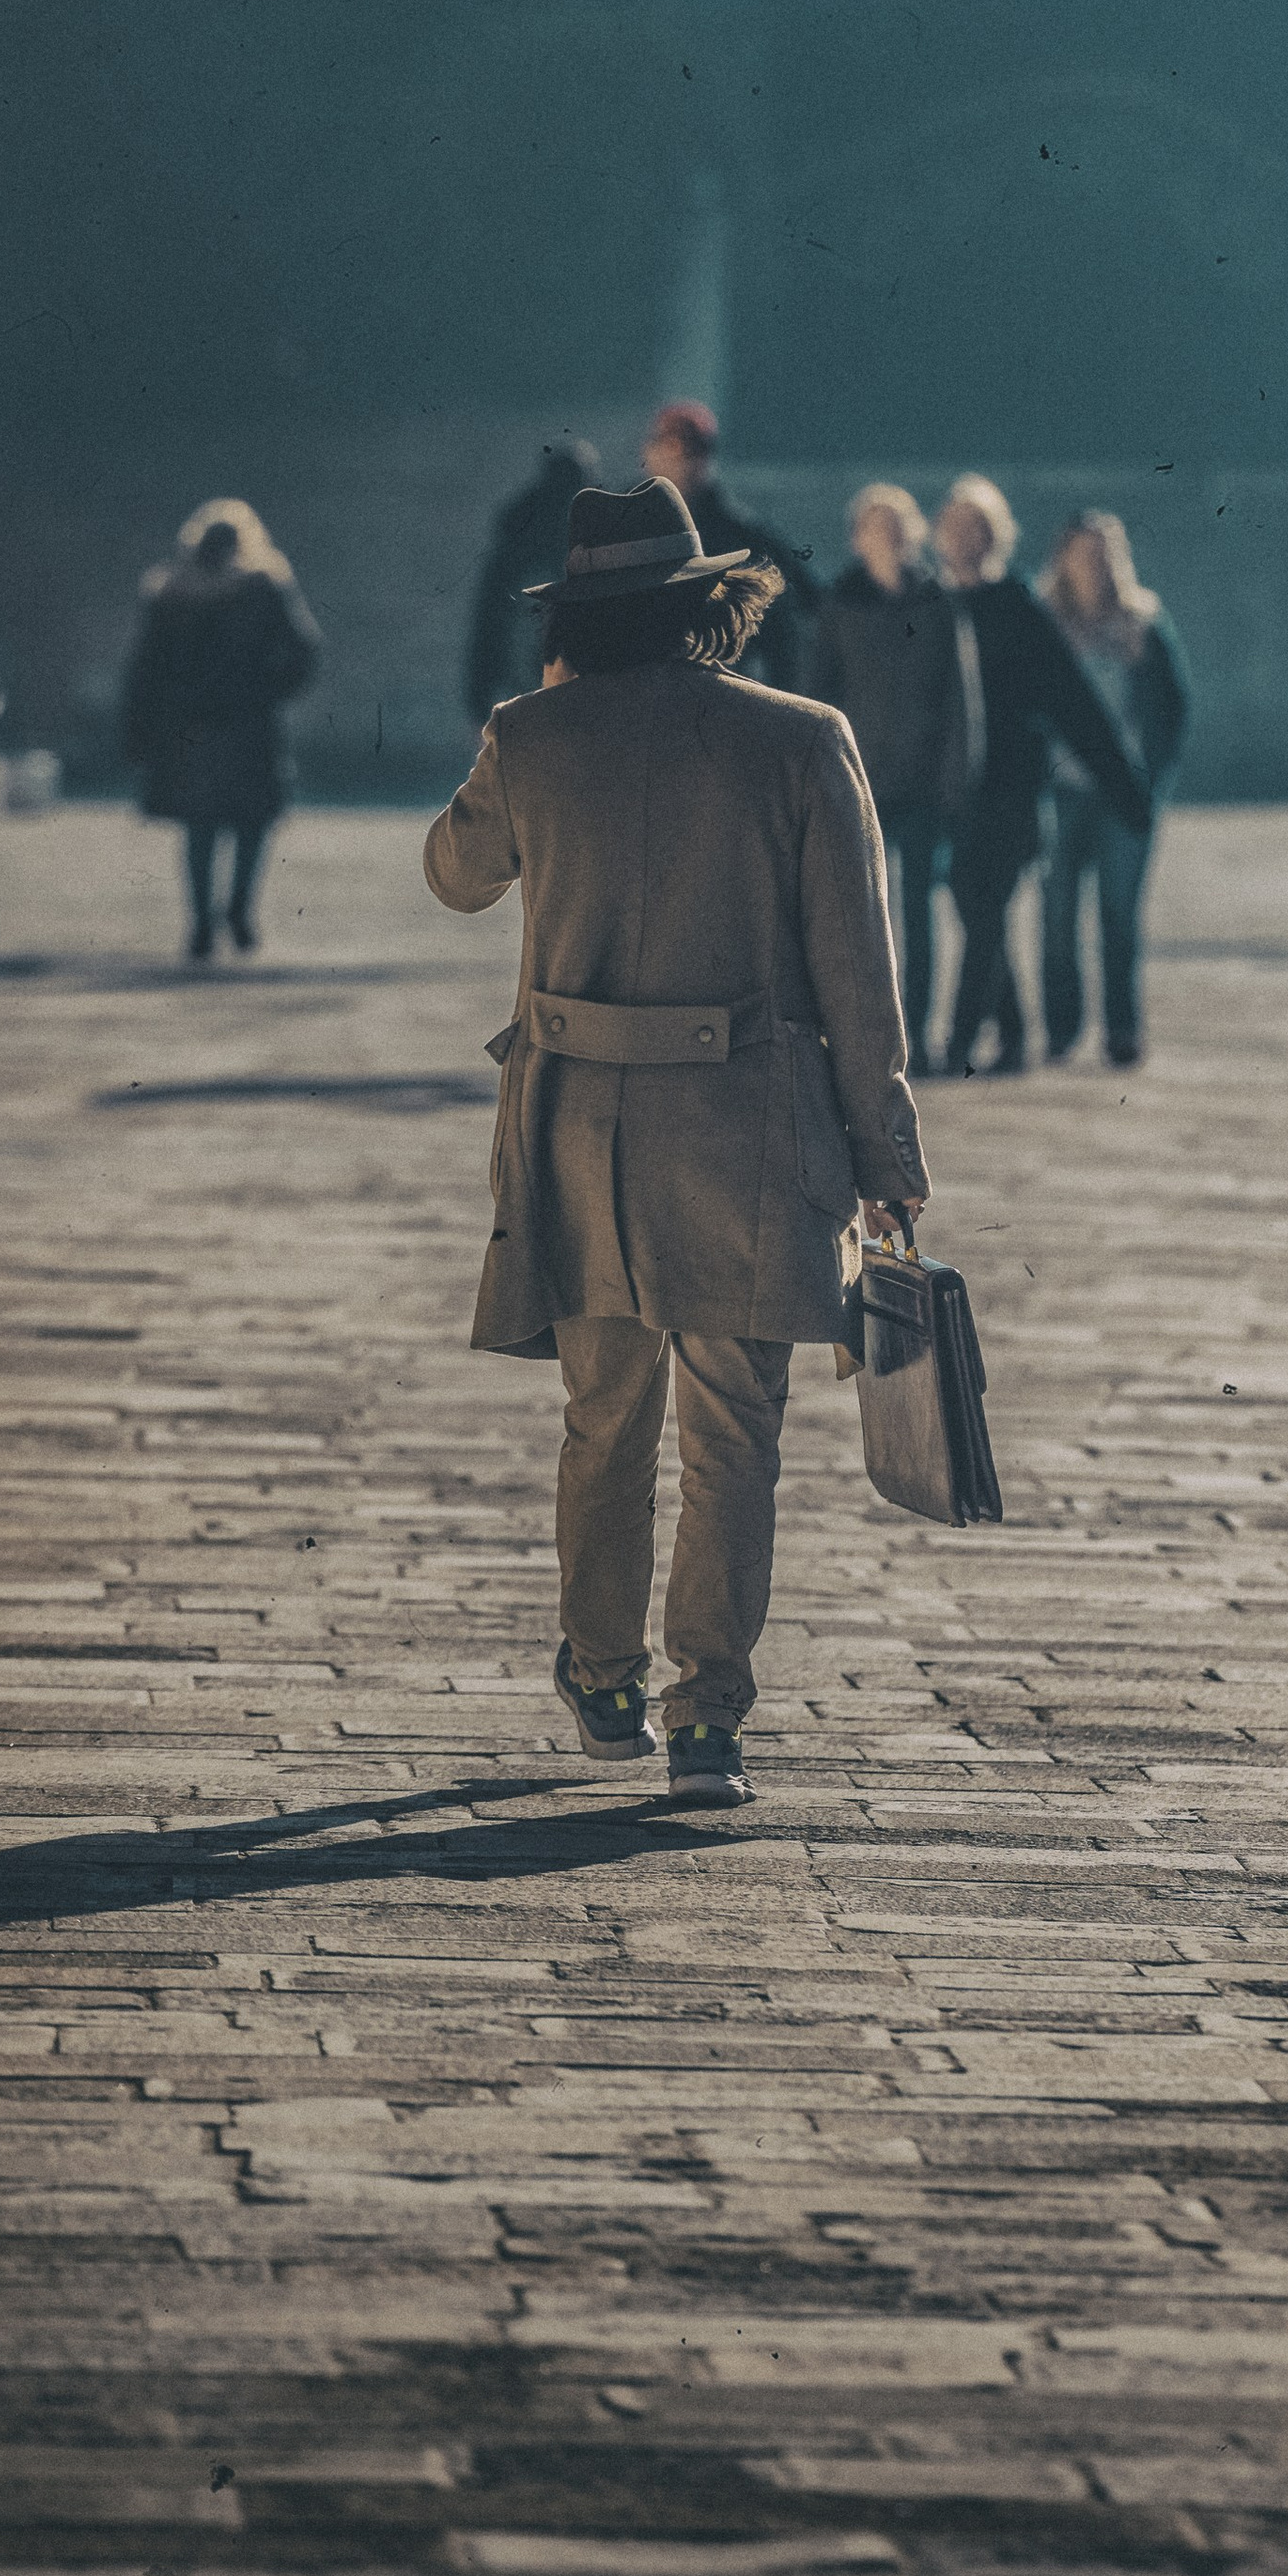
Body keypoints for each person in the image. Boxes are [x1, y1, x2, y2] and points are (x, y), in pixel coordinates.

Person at [424, 476, 928, 1808]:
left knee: (602, 1421)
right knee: (735, 1434)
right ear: (705, 605)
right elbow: (858, 976)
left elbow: (453, 874)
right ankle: (708, 1716)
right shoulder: (803, 739)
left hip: (580, 1132)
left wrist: (525, 722)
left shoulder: (530, 738)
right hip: (751, 1130)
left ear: (579, 614)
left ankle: (600, 1677)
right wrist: (889, 1166)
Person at [932, 474, 1152, 1077]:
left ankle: (955, 1045)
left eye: (976, 528)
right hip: (951, 791)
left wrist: (1122, 780)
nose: (964, 539)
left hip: (1011, 789)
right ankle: (1014, 1031)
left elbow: (1073, 701)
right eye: (955, 527)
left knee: (985, 908)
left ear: (996, 536)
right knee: (974, 908)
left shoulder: (1019, 608)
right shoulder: (931, 605)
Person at [121, 501, 320, 961]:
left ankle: (203, 923)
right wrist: (269, 687)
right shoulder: (263, 587)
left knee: (201, 827)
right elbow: (303, 651)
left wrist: (140, 729)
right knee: (250, 823)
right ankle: (236, 912)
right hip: (247, 723)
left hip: (191, 727)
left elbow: (144, 670)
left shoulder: (170, 593)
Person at [809, 484, 964, 1058]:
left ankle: (919, 1034)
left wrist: (953, 781)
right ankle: (873, 1040)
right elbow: (817, 696)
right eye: (876, 526)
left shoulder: (937, 602)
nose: (888, 537)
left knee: (920, 920)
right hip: (859, 784)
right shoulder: (838, 603)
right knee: (864, 925)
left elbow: (958, 698)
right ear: (857, 538)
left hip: (922, 785)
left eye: (897, 525)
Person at [1038, 510, 1191, 1065]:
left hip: (1124, 793)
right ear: (1064, 558)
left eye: (1104, 553)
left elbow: (1175, 709)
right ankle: (1060, 1028)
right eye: (1083, 553)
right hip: (1061, 789)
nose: (1094, 564)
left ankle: (1123, 1031)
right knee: (1056, 915)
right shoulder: (1046, 621)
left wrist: (1153, 778)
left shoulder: (1144, 622)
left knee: (1119, 918)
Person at [640, 398, 818, 691]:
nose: (680, 463)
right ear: (649, 452)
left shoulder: (747, 541)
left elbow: (792, 622)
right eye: (670, 449)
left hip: (718, 695)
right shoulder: (617, 527)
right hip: (636, 694)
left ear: (706, 460)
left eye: (690, 453)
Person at [465, 436, 599, 720]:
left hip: (528, 698)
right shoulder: (597, 541)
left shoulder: (513, 548)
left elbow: (487, 627)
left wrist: (477, 706)